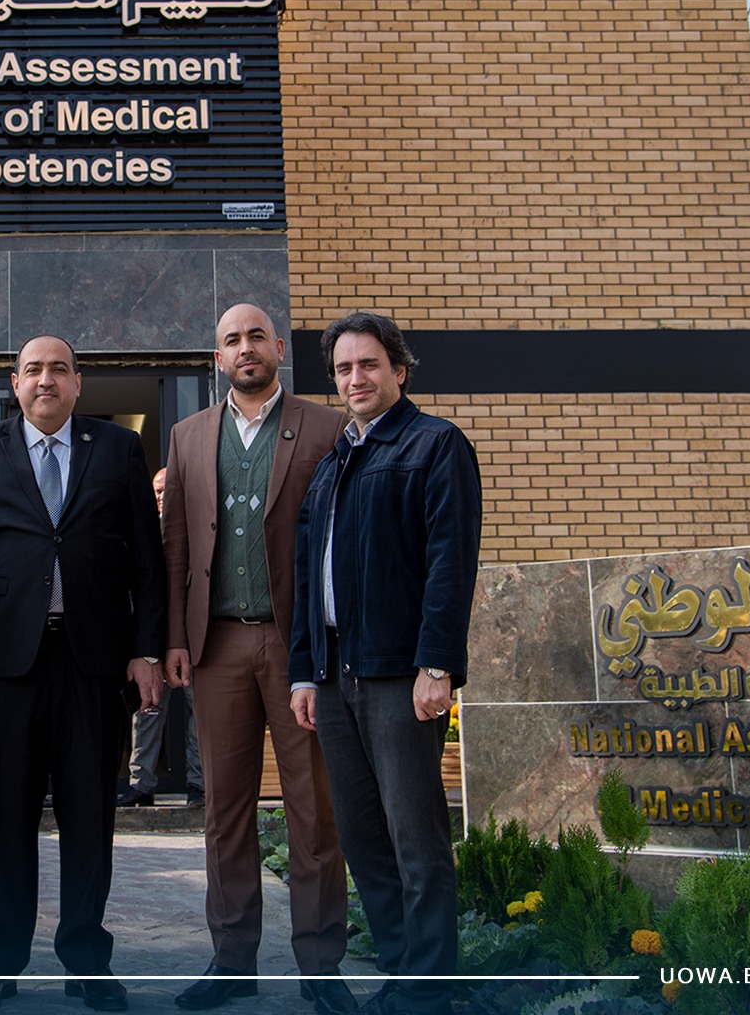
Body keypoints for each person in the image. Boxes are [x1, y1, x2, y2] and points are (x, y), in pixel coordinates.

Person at [0, 335, 167, 1014]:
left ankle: (87, 960)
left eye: (59, 370)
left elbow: (147, 559)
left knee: (89, 818)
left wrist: (147, 650)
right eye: (33, 370)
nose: (46, 380)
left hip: (94, 663)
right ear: (16, 383)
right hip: (6, 666)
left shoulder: (118, 448)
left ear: (78, 383)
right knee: (5, 818)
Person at [162, 304, 355, 1014]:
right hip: (215, 646)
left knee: (314, 810)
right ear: (218, 358)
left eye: (254, 337)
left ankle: (321, 968)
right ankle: (231, 961)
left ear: (277, 347)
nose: (244, 349)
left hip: (298, 645)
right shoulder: (187, 436)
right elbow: (176, 545)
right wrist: (174, 637)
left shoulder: (327, 428)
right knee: (225, 811)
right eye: (230, 341)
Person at [288, 312, 482, 1015]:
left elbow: (450, 562)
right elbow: (308, 578)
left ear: (399, 370)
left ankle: (427, 993)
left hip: (401, 674)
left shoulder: (435, 444)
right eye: (343, 369)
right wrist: (304, 671)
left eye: (368, 364)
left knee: (416, 842)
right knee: (366, 841)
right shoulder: (335, 461)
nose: (356, 378)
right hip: (336, 677)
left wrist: (438, 664)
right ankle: (401, 976)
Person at [119, 469, 202, 809]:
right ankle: (141, 785)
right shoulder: (142, 531)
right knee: (146, 712)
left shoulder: (197, 529)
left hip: (192, 639)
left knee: (200, 715)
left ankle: (199, 786)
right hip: (153, 641)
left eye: (167, 490)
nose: (162, 496)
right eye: (157, 491)